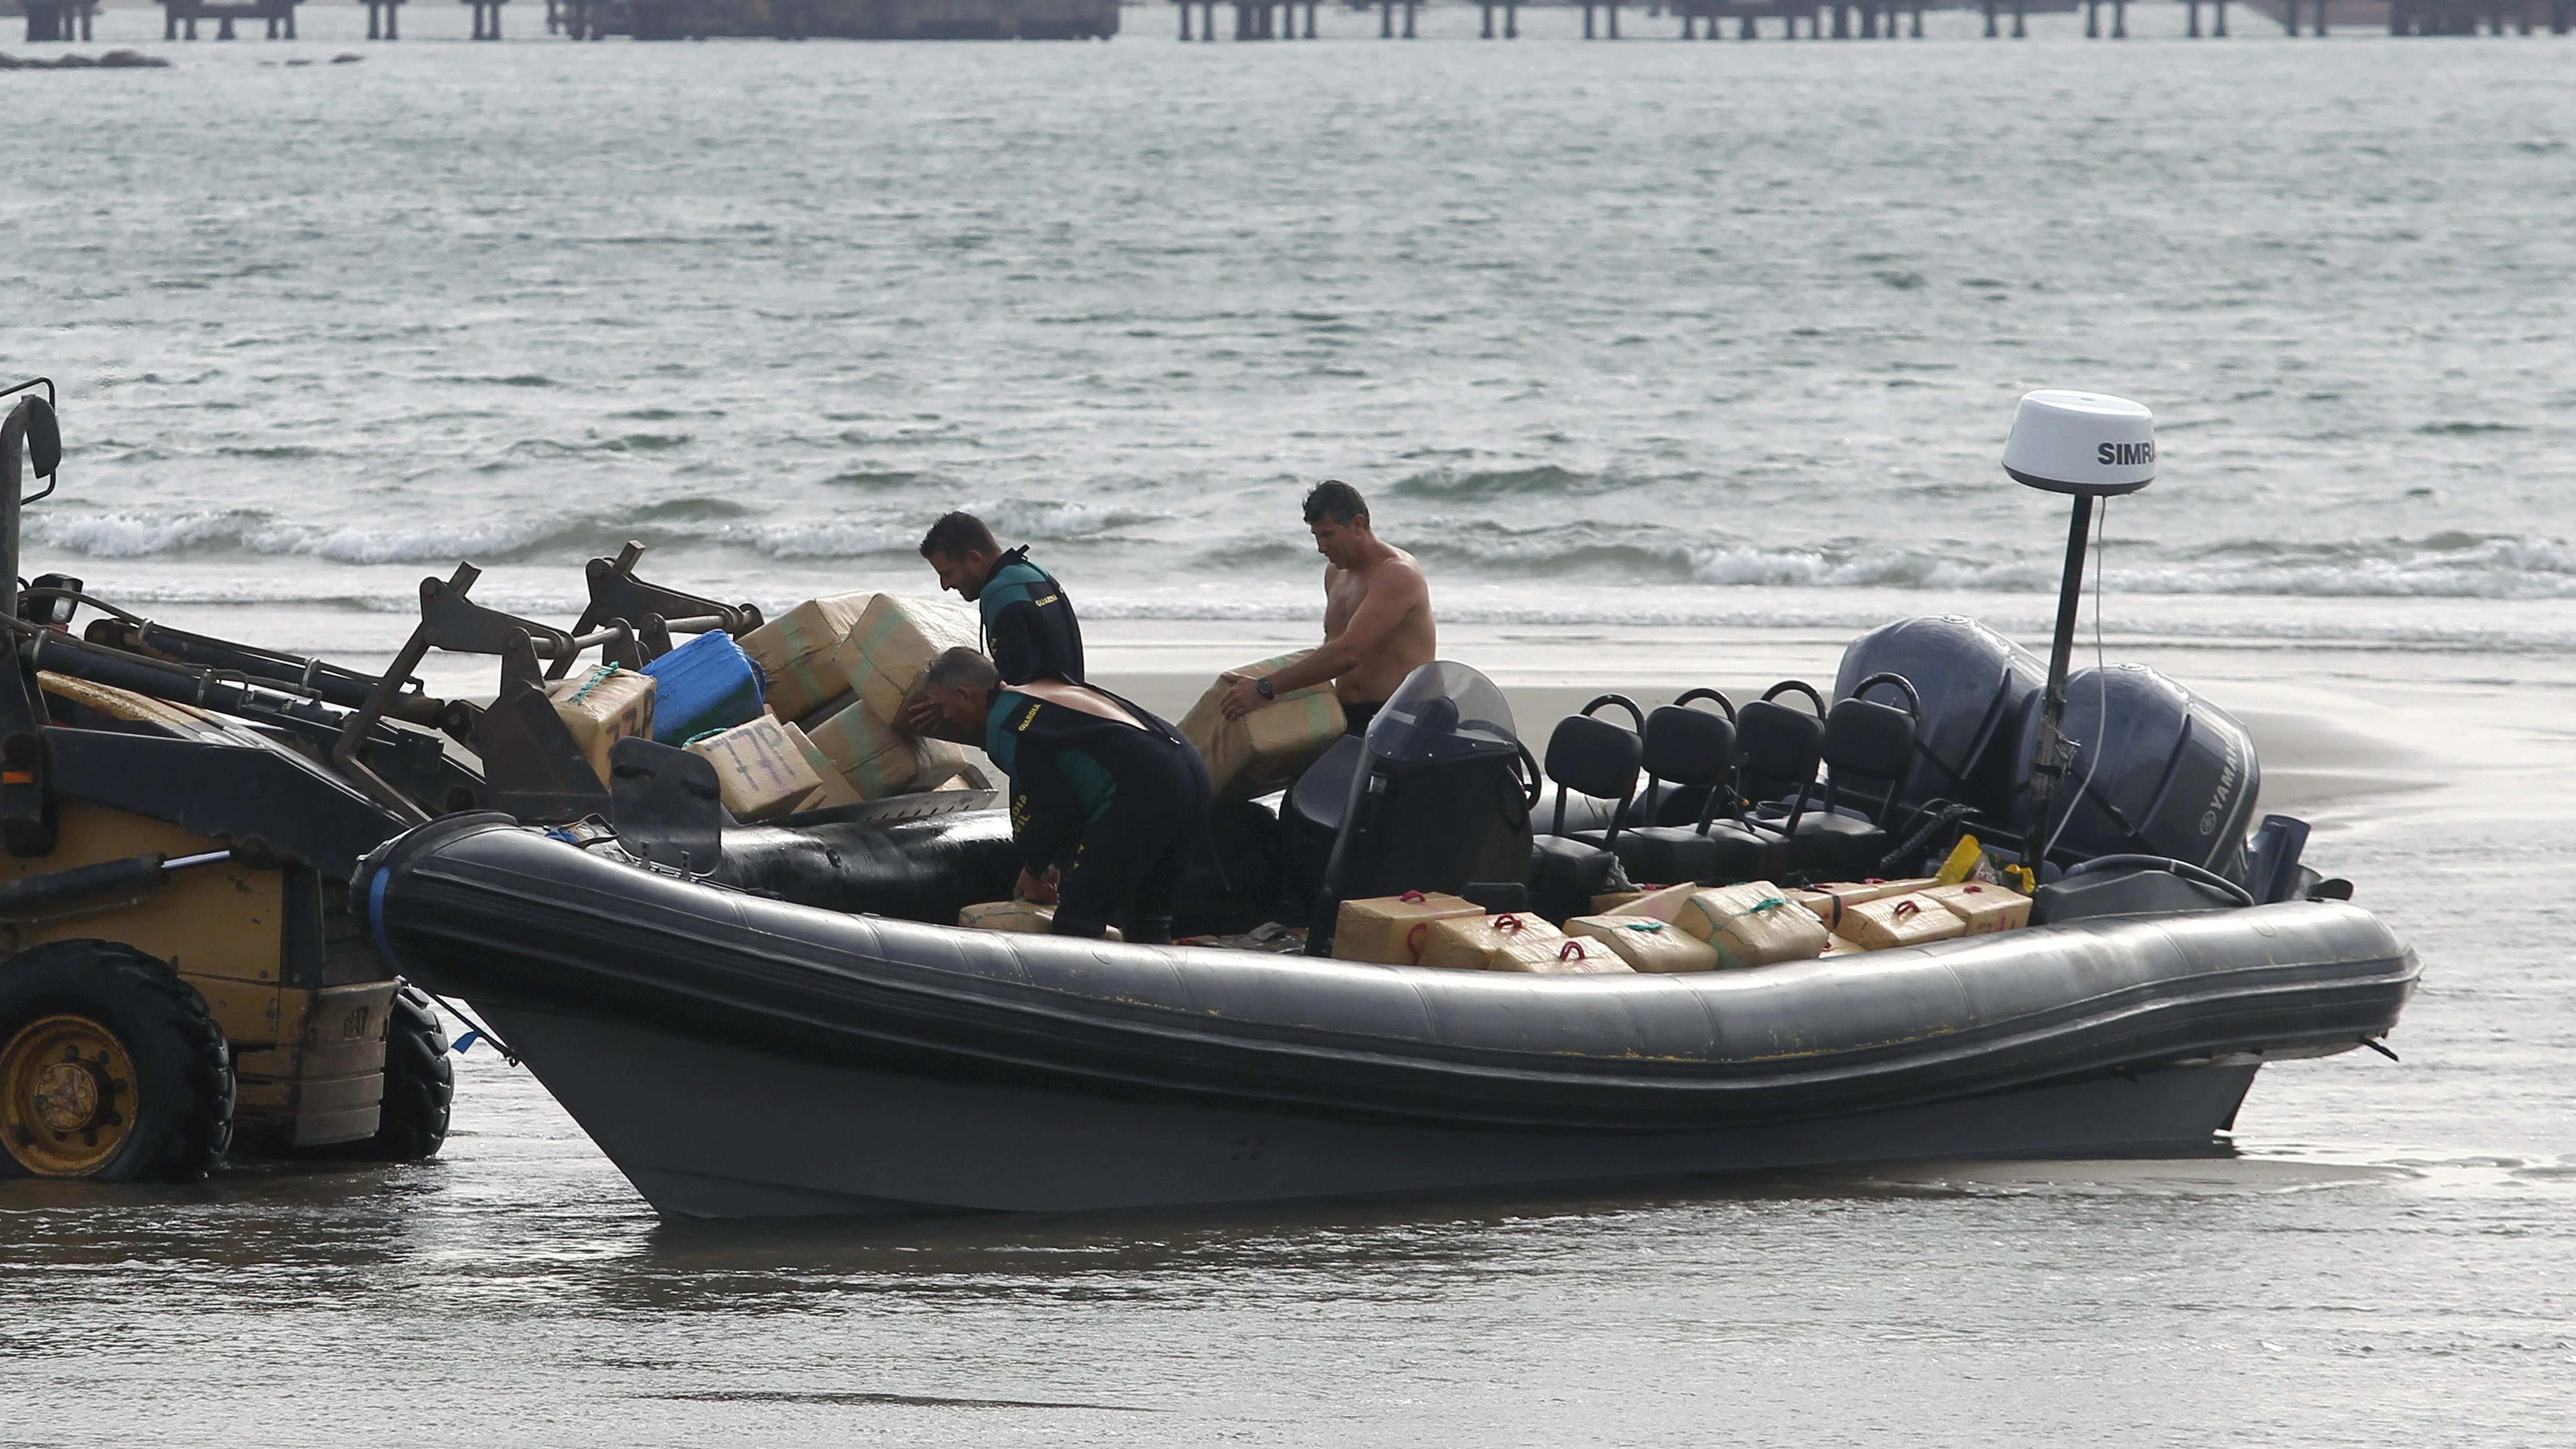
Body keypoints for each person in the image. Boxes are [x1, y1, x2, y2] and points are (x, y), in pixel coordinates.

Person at [922, 647, 1211, 945]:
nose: (945, 717)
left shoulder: (1004, 725)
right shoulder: (1038, 688)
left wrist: (1035, 871)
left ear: (964, 694)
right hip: (1191, 772)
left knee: (1077, 925)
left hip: (1143, 792)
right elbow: (1069, 789)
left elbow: (1055, 809)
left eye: (944, 706)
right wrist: (1055, 863)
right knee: (1149, 922)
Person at [1218, 480, 1435, 740]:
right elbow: (1330, 649)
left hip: (1401, 716)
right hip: (1346, 715)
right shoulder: (1335, 574)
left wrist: (1265, 687)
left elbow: (1349, 653)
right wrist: (1260, 682)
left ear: (1358, 524)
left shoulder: (1397, 574)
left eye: (1329, 535)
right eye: (1317, 536)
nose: (1321, 547)